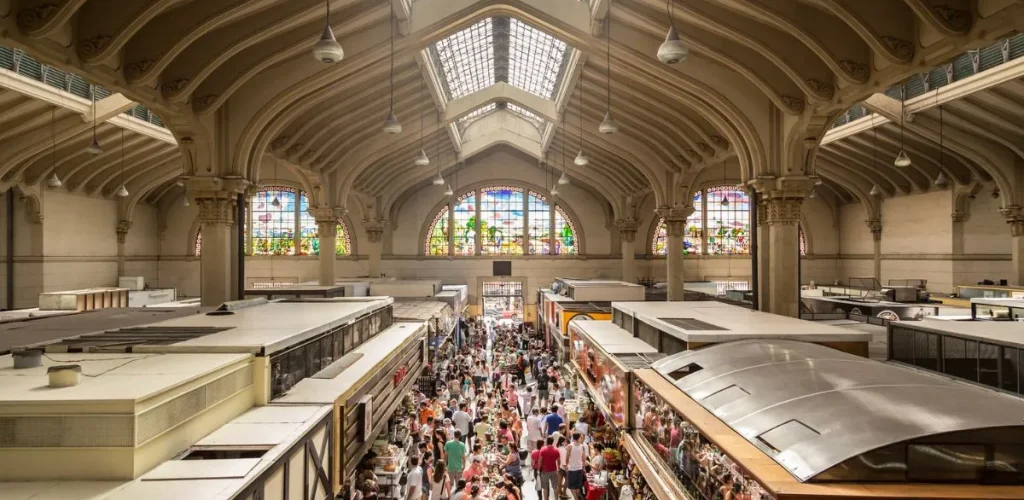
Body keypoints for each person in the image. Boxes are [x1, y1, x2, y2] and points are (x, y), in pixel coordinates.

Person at [565, 432, 588, 500]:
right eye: (580, 437)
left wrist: (566, 466)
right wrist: (583, 467)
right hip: (580, 468)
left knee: (572, 486)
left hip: (572, 469)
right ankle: (577, 497)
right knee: (578, 486)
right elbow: (584, 459)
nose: (581, 438)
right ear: (578, 438)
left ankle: (576, 498)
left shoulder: (570, 446)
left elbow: (567, 458)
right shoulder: (582, 447)